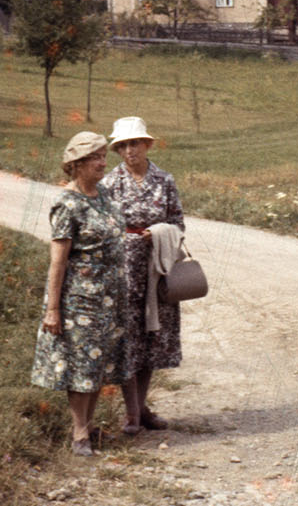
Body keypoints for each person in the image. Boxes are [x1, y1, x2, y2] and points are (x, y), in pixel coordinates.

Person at [30, 131, 127, 456]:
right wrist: (52, 309)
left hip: (108, 299)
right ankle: (79, 433)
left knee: (97, 364)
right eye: (95, 158)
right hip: (79, 300)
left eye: (103, 156)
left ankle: (90, 424)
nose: (103, 162)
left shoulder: (103, 196)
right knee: (80, 366)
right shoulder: (66, 204)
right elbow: (57, 262)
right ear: (76, 164)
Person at [101, 116, 184, 435]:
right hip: (123, 272)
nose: (129, 150)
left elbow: (178, 223)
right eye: (123, 146)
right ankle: (132, 413)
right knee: (127, 340)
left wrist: (159, 233)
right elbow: (102, 227)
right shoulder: (111, 183)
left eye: (135, 143)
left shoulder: (165, 180)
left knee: (151, 339)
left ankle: (142, 407)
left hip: (155, 271)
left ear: (147, 144)